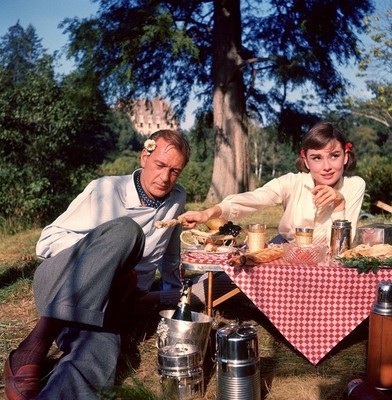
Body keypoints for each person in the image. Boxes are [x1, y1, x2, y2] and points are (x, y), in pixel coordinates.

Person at [3, 129, 192, 400]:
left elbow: (170, 255)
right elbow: (46, 241)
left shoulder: (177, 199)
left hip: (111, 303)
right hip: (62, 283)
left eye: (175, 171)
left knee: (98, 355)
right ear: (144, 157)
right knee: (127, 232)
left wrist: (172, 295)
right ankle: (36, 342)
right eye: (160, 165)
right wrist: (104, 260)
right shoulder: (106, 189)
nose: (165, 178)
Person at [180, 121, 366, 246]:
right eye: (317, 158)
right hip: (284, 249)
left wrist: (339, 204)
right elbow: (255, 198)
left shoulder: (354, 185)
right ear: (307, 161)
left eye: (334, 156)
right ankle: (160, 297)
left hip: (327, 260)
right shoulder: (293, 182)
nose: (327, 167)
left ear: (345, 157)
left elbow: (343, 248)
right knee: (217, 283)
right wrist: (207, 213)